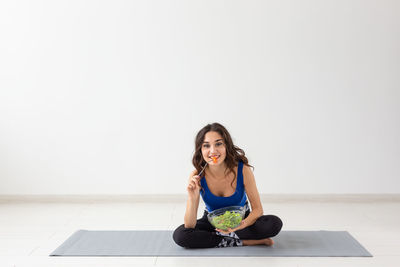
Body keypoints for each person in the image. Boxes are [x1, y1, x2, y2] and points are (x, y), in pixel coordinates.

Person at [173, 122, 283, 248]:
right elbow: (190, 225)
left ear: (227, 146)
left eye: (218, 144)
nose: (213, 151)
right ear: (201, 150)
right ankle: (244, 241)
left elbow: (258, 210)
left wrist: (242, 224)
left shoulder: (242, 170)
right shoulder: (197, 175)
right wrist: (192, 197)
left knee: (273, 223)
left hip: (241, 221)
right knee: (181, 235)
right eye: (206, 146)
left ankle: (220, 239)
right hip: (213, 223)